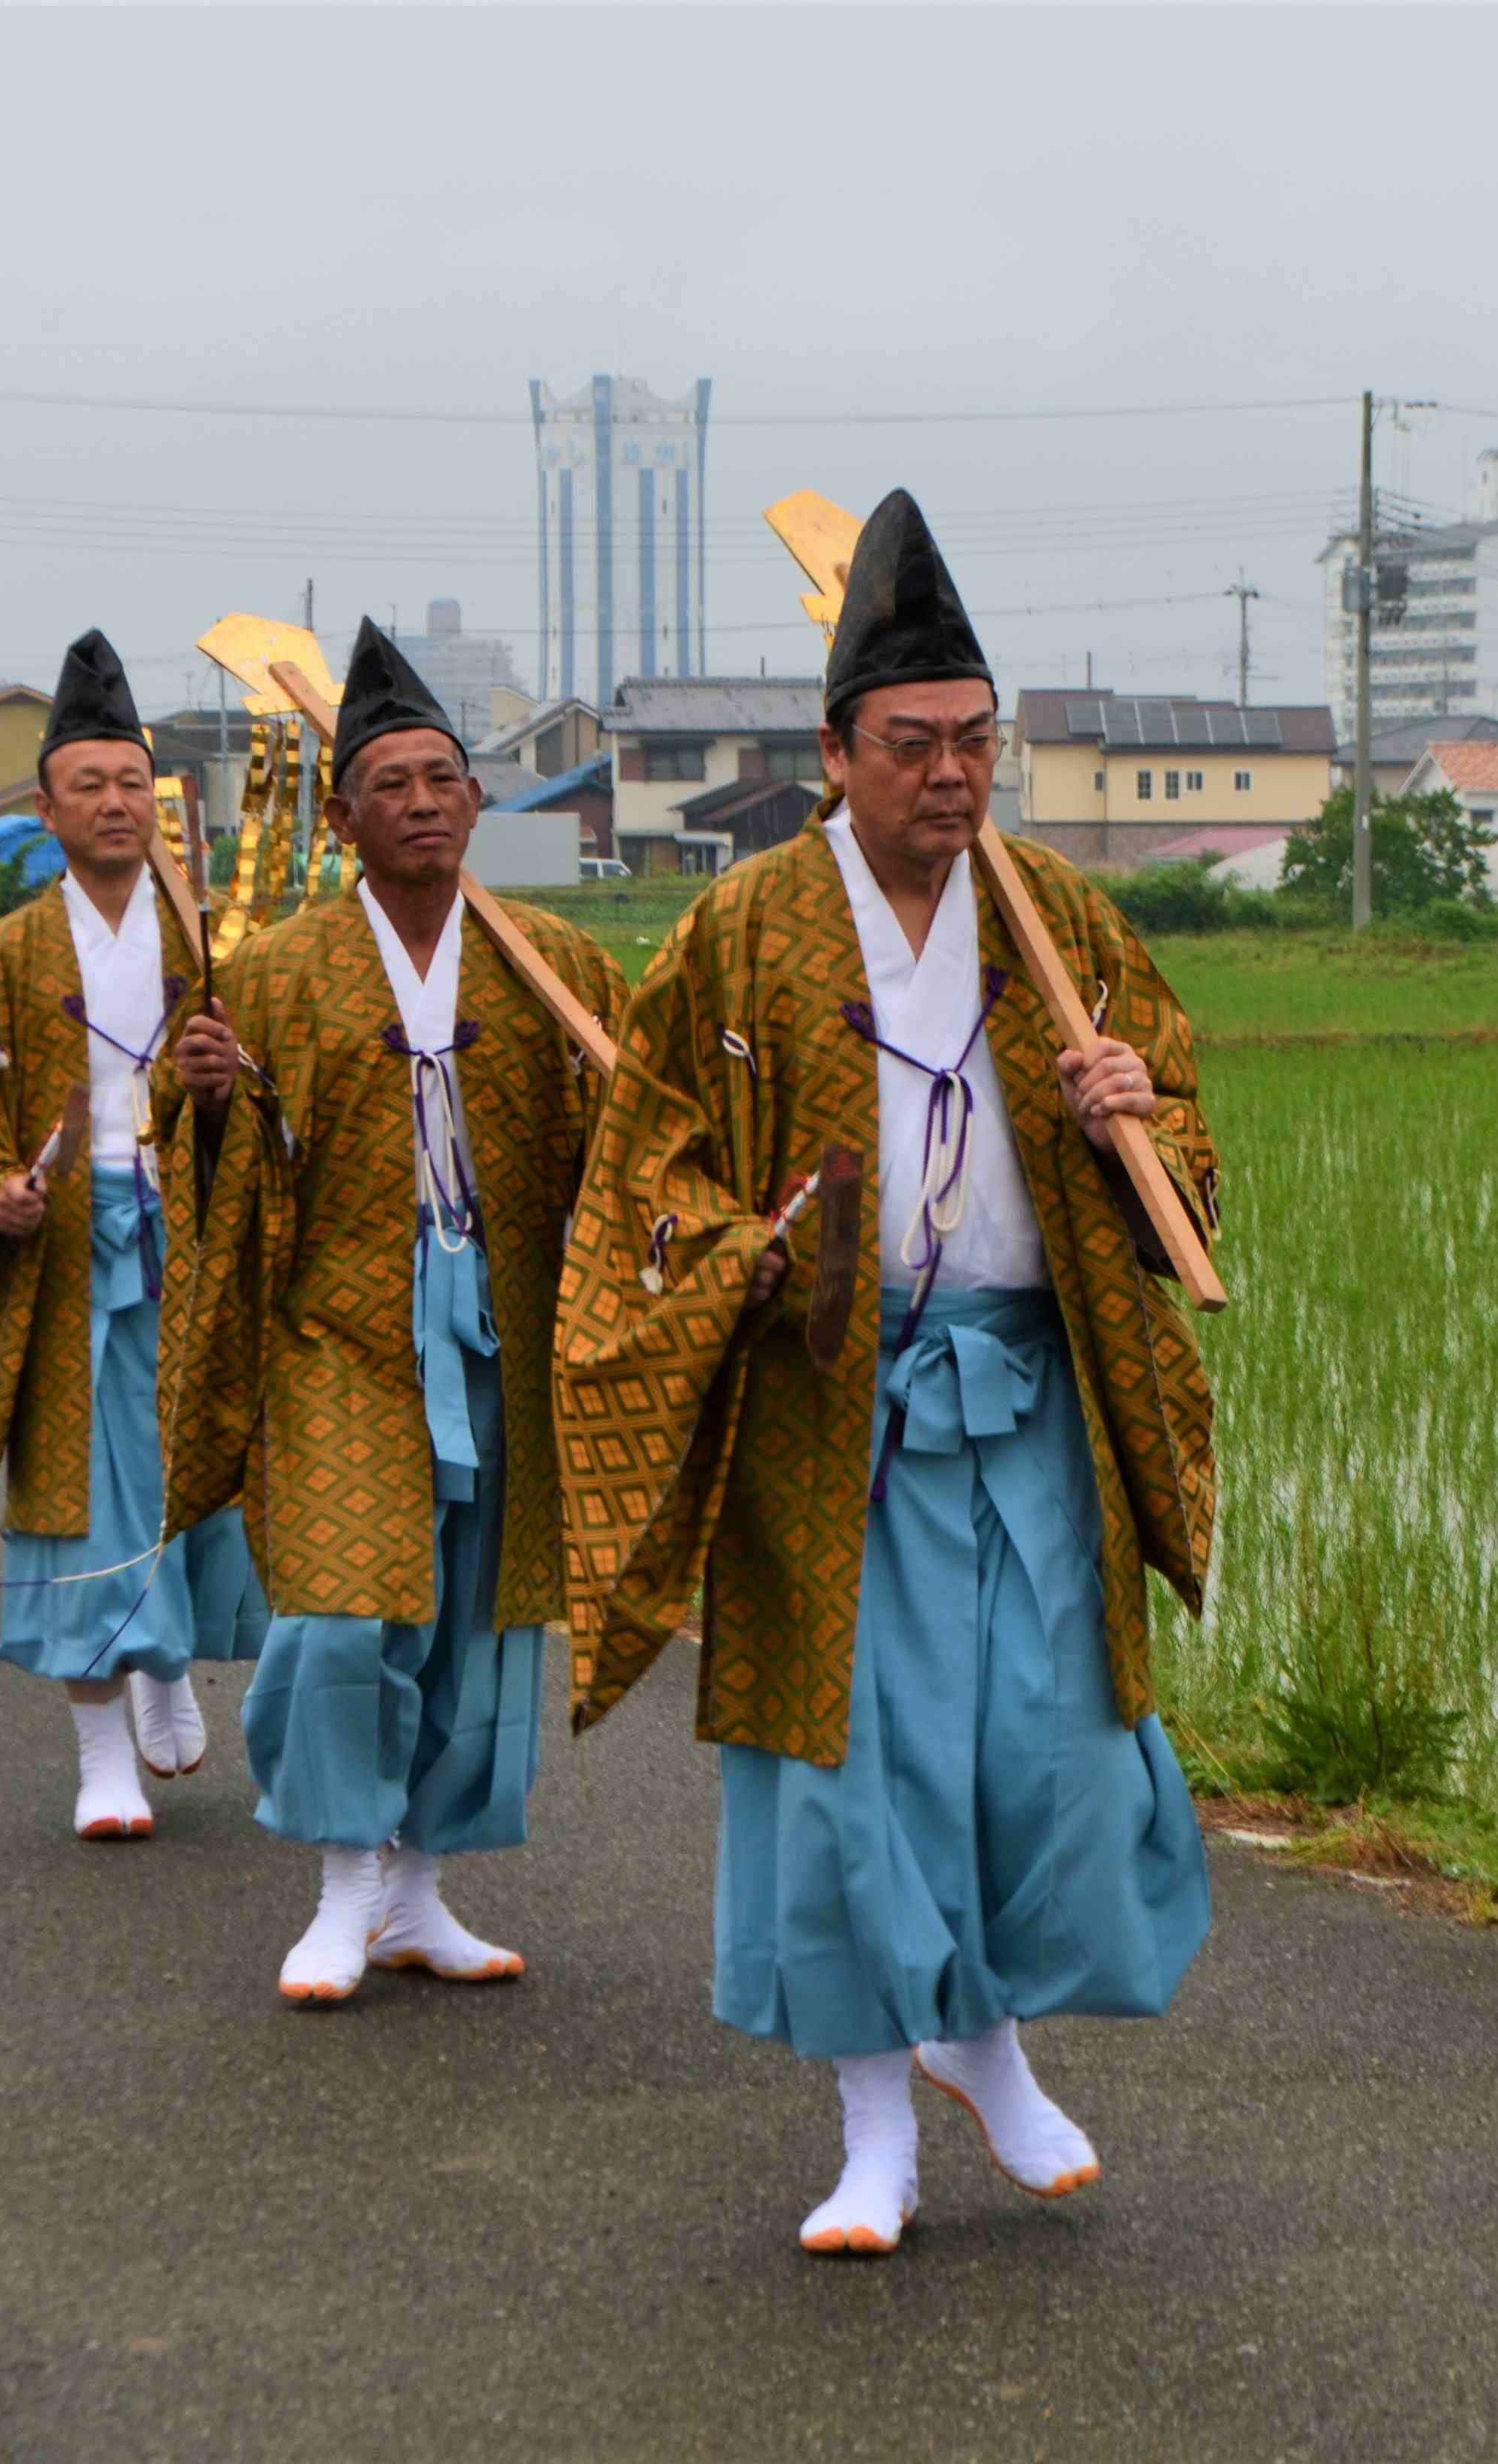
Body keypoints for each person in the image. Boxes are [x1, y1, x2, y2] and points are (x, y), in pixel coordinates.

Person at [560, 491, 1224, 2255]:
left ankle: (985, 2034)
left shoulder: (1059, 919)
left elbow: (1182, 1139)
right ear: (835, 753)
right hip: (830, 1407)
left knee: (1041, 1757)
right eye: (915, 744)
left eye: (976, 743)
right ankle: (876, 2127)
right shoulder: (746, 935)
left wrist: (1131, 1124)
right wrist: (752, 1254)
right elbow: (648, 1178)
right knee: (854, 1772)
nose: (952, 776)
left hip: (1025, 1409)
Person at [158, 621, 626, 2004]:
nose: (424, 801)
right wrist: (199, 1099)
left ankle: (423, 1887)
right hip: (339, 1334)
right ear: (343, 816)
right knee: (347, 1607)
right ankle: (342, 1876)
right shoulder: (279, 974)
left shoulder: (553, 966)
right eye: (393, 784)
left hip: (507, 1330)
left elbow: (631, 1144)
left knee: (484, 1610)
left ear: (477, 803)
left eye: (445, 778)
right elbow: (222, 1171)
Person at [0, 631, 268, 1840]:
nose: (114, 805)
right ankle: (100, 1749)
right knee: (77, 1498)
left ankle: (163, 1657)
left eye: (131, 785)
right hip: (60, 1259)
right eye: (88, 786)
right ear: (46, 808)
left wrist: (222, 1095)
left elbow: (282, 1107)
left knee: (192, 1475)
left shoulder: (218, 953)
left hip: (194, 1246)